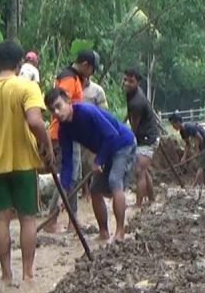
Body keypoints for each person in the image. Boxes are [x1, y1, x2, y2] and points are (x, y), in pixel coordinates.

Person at [0, 41, 54, 284]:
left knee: (0, 220)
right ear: (19, 64)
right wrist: (47, 147)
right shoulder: (27, 87)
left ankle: (6, 275)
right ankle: (28, 274)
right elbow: (36, 122)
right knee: (28, 218)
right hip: (24, 163)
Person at [45, 87, 136, 243]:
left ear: (68, 101)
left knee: (115, 181)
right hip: (105, 149)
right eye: (53, 110)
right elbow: (67, 164)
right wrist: (63, 194)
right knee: (94, 189)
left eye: (59, 106)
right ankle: (103, 233)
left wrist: (99, 160)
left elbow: (112, 135)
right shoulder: (64, 131)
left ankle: (120, 232)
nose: (57, 113)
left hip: (122, 143)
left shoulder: (86, 111)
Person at [44, 49, 98, 233]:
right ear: (85, 65)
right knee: (68, 178)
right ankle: (52, 219)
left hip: (70, 133)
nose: (90, 76)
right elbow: (60, 104)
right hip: (63, 133)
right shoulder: (69, 78)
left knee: (73, 178)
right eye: (91, 71)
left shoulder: (73, 77)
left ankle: (72, 220)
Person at [123, 67, 160, 208]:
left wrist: (127, 139)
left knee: (139, 171)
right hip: (146, 135)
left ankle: (138, 206)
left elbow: (134, 126)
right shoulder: (131, 94)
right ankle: (151, 200)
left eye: (131, 81)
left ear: (137, 83)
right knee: (144, 171)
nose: (126, 83)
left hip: (147, 138)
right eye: (125, 80)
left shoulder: (137, 101)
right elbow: (130, 113)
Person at [80, 73, 109, 199]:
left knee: (91, 163)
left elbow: (103, 112)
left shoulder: (97, 91)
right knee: (79, 165)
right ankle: (84, 191)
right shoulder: (71, 88)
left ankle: (94, 191)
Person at [169, 114, 205, 186]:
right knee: (204, 166)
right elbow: (187, 144)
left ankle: (194, 186)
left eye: (173, 124)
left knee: (201, 166)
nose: (173, 127)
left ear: (178, 122)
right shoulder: (182, 132)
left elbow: (200, 138)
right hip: (202, 145)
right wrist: (184, 157)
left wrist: (197, 150)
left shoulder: (189, 127)